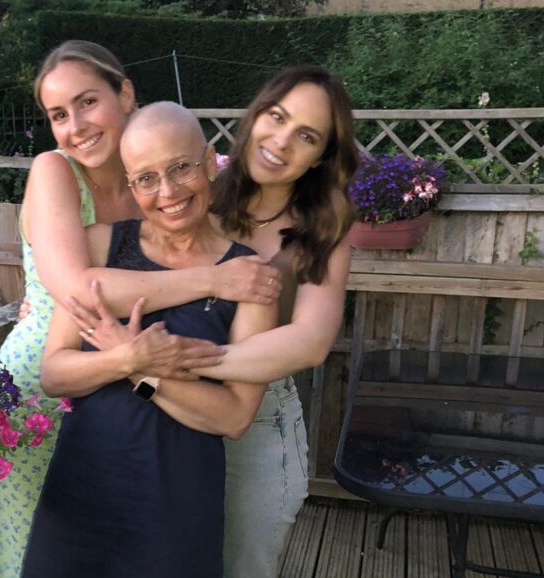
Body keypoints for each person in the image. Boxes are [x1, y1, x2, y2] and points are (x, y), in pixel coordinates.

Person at [0, 41, 281, 578]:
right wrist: (213, 281)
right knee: (26, 549)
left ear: (126, 93)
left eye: (87, 102)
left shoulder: (151, 183)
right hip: (38, 397)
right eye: (58, 115)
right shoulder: (56, 171)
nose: (76, 125)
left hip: (131, 424)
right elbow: (77, 288)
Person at [69, 65, 358, 577]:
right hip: (166, 415)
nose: (282, 141)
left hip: (255, 423)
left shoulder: (324, 227)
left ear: (322, 155)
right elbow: (111, 262)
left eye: (307, 135)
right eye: (278, 116)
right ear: (257, 114)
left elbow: (311, 343)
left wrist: (183, 361)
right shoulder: (191, 185)